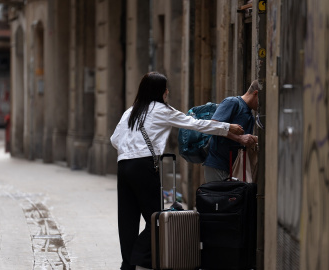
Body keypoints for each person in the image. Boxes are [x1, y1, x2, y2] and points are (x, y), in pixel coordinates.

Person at [110, 72, 251, 270]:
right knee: (155, 218)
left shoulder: (131, 112)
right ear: (159, 91)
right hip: (143, 165)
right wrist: (227, 127)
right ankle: (138, 259)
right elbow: (195, 124)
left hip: (123, 165)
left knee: (127, 219)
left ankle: (127, 265)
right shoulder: (162, 110)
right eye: (165, 88)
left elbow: (114, 140)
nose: (167, 91)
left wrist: (130, 149)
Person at [203, 80, 260, 182]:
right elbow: (213, 126)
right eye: (262, 101)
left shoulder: (250, 115)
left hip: (234, 166)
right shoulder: (232, 102)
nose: (262, 106)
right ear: (255, 93)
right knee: (220, 197)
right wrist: (239, 138)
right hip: (218, 164)